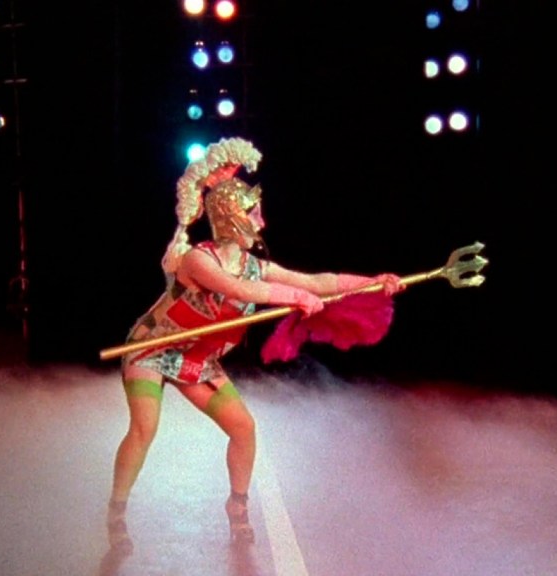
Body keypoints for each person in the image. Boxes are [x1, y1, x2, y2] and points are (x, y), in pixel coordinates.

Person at [102, 137, 402, 559]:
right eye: (252, 213)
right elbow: (239, 290)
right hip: (152, 347)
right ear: (230, 217)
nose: (260, 222)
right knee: (144, 428)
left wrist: (373, 283)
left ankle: (237, 505)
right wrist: (293, 298)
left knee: (243, 427)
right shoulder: (197, 260)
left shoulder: (256, 266)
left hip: (197, 358)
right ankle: (117, 510)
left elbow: (316, 281)